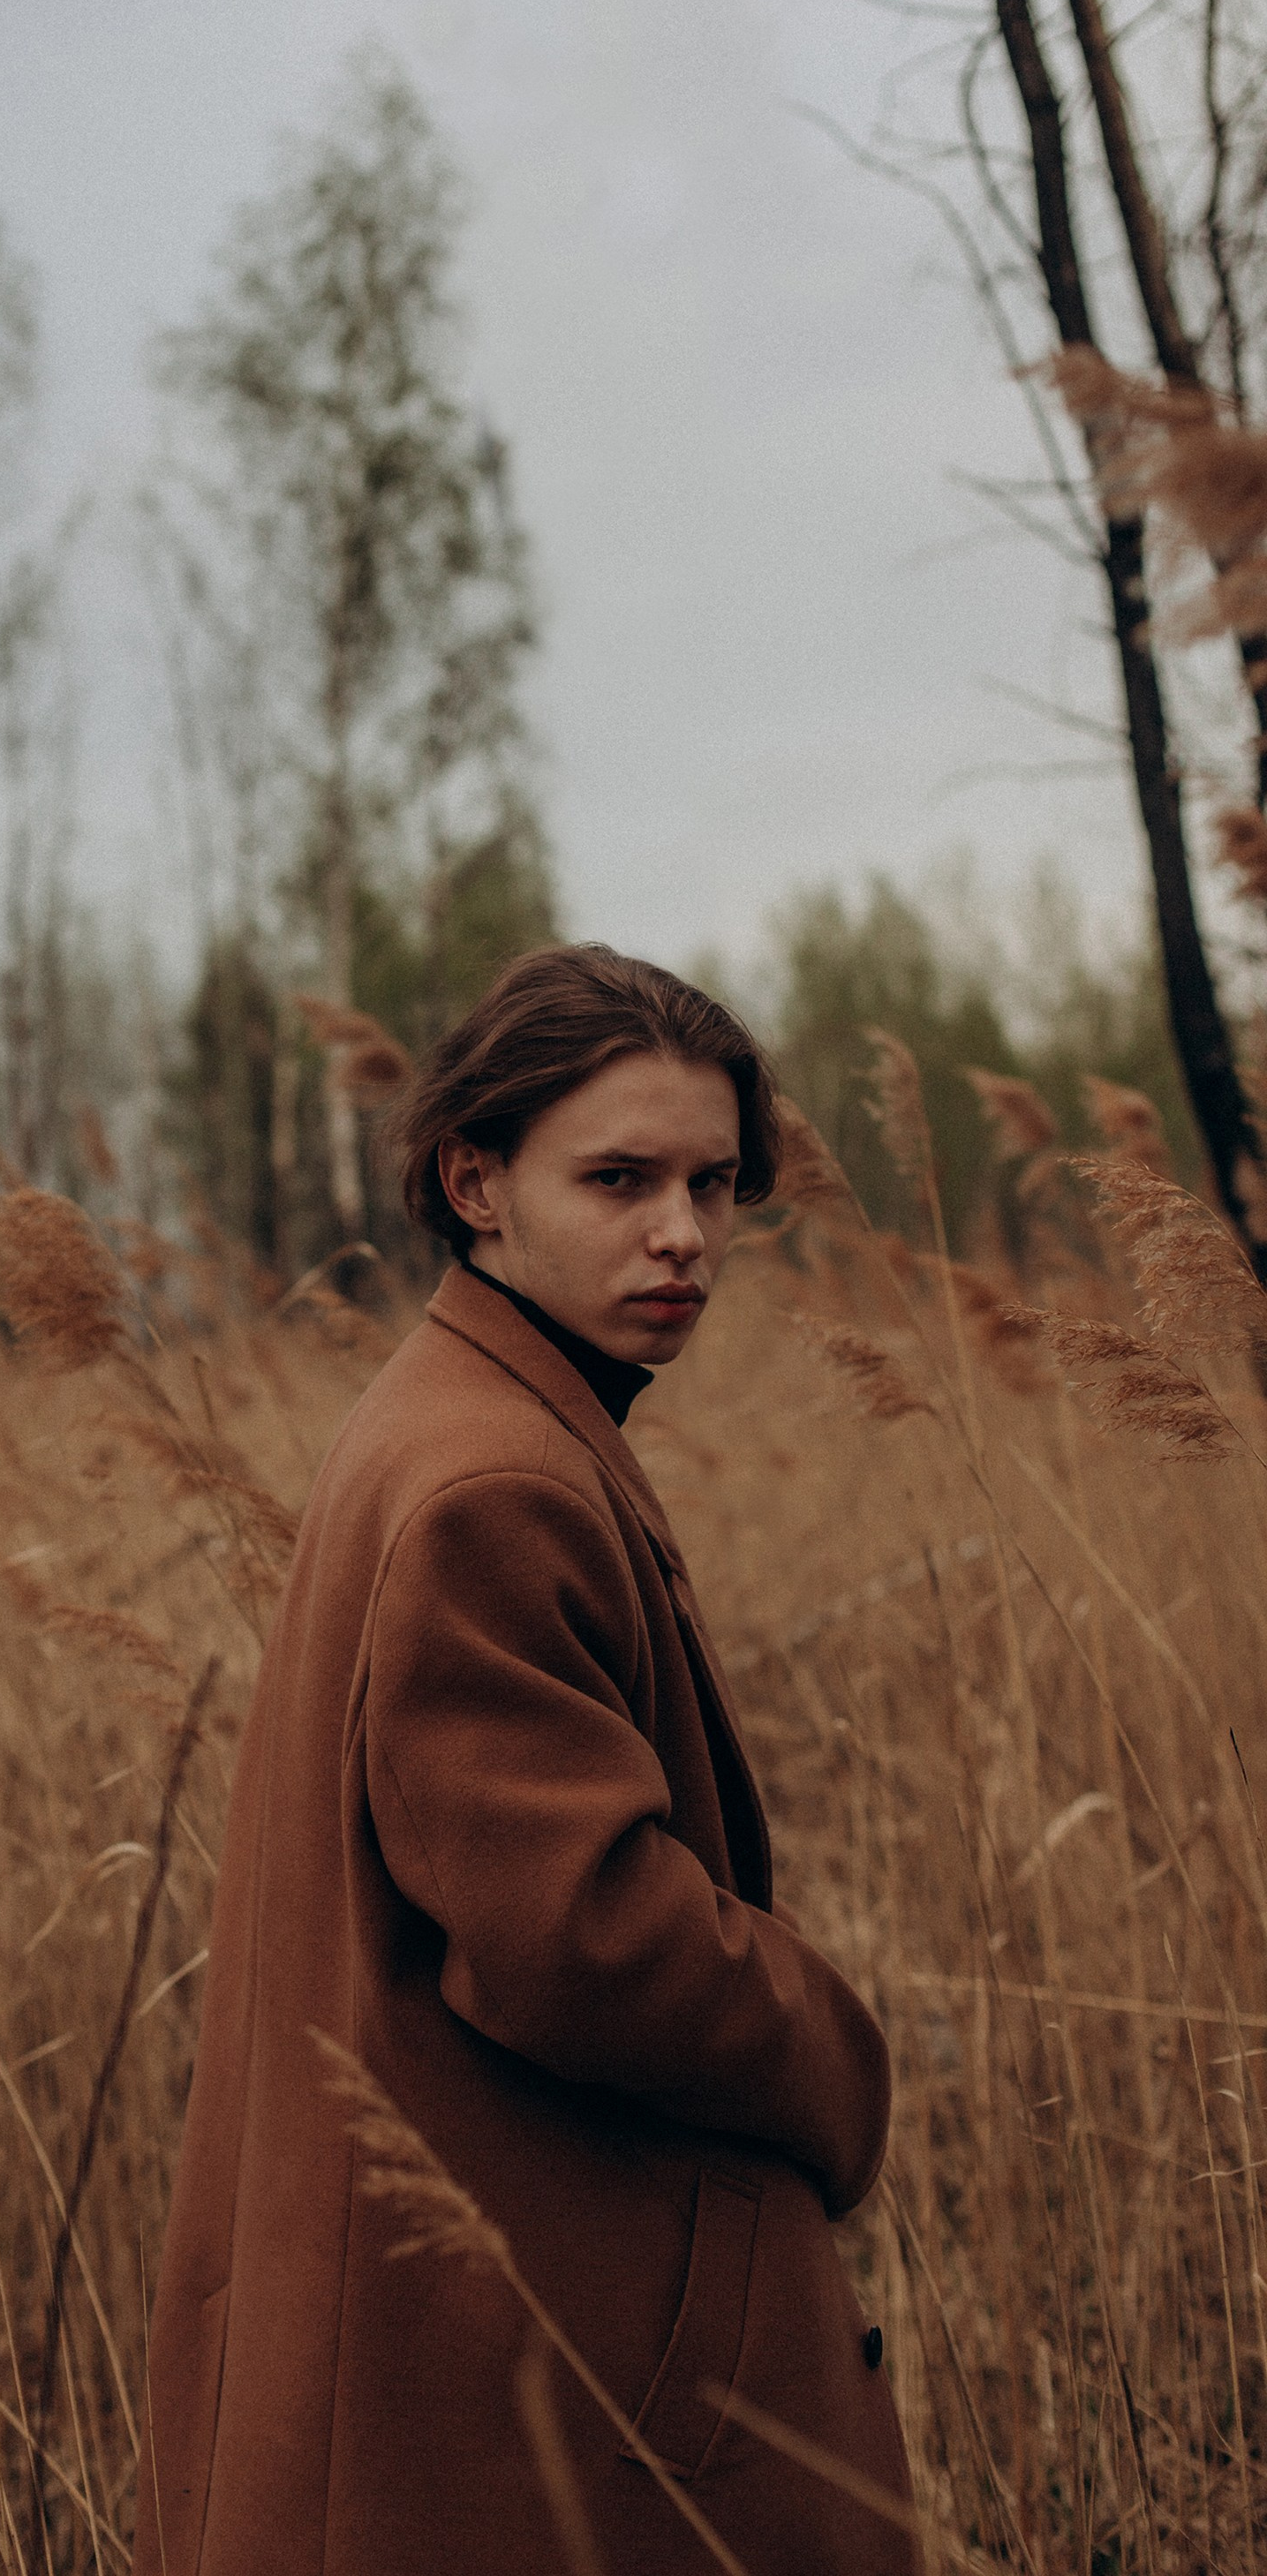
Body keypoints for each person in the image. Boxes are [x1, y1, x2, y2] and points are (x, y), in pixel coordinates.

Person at [133, 945, 917, 2576]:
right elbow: (578, 1935)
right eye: (619, 1178)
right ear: (474, 1181)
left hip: (495, 2317)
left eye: (712, 1183)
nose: (682, 1233)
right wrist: (835, 2063)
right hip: (523, 2358)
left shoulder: (465, 1414)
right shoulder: (499, 1477)